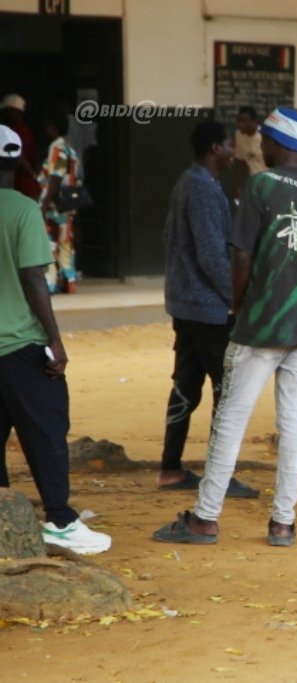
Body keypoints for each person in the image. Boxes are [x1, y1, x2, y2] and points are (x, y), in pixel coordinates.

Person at [153, 107, 297, 547]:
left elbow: (240, 255)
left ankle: (205, 518)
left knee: (231, 418)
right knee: (294, 424)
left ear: (274, 143)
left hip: (259, 324)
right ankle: (283, 523)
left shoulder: (260, 186)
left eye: (263, 141)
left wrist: (239, 307)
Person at [0, 125, 110, 555]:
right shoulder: (22, 208)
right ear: (18, 163)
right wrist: (55, 341)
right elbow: (33, 276)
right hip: (19, 343)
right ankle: (60, 521)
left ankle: (5, 519)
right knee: (46, 431)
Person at [157, 120, 256, 498]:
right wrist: (236, 297)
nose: (234, 152)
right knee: (226, 390)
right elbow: (212, 255)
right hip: (207, 309)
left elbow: (172, 238)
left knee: (185, 384)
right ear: (215, 148)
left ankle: (170, 468)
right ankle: (220, 475)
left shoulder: (191, 182)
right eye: (230, 145)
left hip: (188, 305)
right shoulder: (201, 187)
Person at [37, 111, 81, 294]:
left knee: (49, 243)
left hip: (54, 206)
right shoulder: (71, 149)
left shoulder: (57, 148)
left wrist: (44, 203)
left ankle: (50, 282)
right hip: (67, 205)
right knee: (65, 242)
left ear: (53, 128)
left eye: (48, 126)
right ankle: (69, 280)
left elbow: (56, 176)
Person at [0, 94, 40, 199]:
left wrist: (32, 174)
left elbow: (20, 158)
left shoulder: (17, 132)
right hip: (22, 185)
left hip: (22, 186)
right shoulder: (22, 131)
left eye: (7, 111)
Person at [232, 106, 267, 198]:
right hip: (254, 182)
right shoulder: (239, 135)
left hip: (269, 182)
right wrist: (238, 187)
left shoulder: (265, 137)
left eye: (244, 121)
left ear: (254, 121)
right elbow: (241, 162)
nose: (240, 124)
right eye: (239, 121)